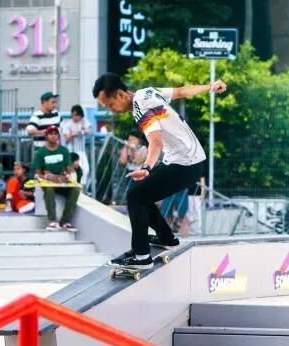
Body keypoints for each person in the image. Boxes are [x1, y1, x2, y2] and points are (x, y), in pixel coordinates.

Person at [93, 72, 227, 268]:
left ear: (121, 95)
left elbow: (155, 142)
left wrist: (146, 167)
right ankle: (166, 238)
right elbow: (181, 91)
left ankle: (141, 257)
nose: (111, 111)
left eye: (110, 105)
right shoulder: (148, 92)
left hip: (184, 163)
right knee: (140, 192)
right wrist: (210, 86)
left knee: (135, 196)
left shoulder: (140, 107)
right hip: (189, 160)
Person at [33, 126, 79, 231]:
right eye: (51, 134)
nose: (53, 136)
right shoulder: (40, 153)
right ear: (46, 136)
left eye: (55, 134)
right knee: (49, 189)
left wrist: (67, 175)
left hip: (61, 181)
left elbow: (69, 169)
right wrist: (48, 176)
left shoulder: (64, 150)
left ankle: (65, 221)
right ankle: (52, 221)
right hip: (47, 182)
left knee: (75, 190)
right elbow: (38, 173)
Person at [113, 130, 148, 204]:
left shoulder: (144, 148)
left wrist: (133, 150)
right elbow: (122, 161)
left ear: (139, 140)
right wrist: (126, 147)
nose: (131, 141)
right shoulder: (127, 148)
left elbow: (138, 161)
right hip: (128, 172)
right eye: (129, 140)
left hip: (139, 173)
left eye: (133, 139)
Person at [62, 104, 91, 183]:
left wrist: (80, 132)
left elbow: (88, 130)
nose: (75, 117)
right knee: (73, 171)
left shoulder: (83, 121)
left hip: (81, 151)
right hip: (72, 151)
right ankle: (74, 185)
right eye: (74, 115)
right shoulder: (68, 124)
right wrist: (72, 135)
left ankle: (82, 186)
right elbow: (66, 140)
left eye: (77, 115)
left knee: (85, 170)